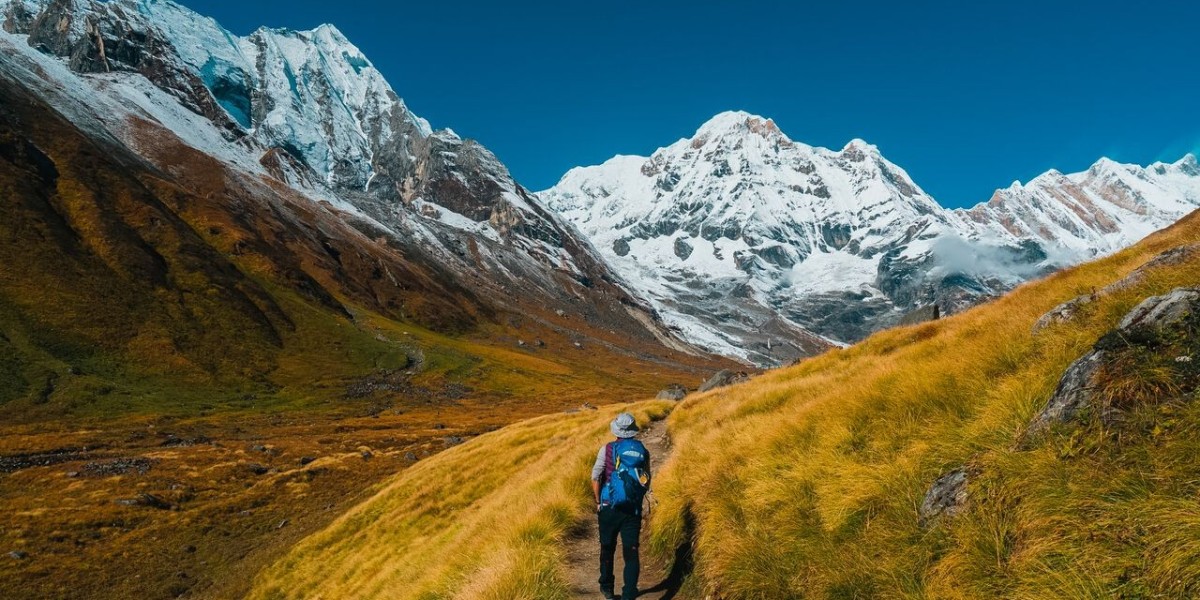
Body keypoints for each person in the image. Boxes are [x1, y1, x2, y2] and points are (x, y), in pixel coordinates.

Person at [591, 412, 651, 600]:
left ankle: (607, 587)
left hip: (609, 507)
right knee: (631, 551)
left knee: (607, 547)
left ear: (616, 430)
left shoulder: (607, 449)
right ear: (632, 431)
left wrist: (598, 501)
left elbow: (595, 476)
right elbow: (646, 479)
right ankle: (629, 594)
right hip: (632, 510)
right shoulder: (642, 450)